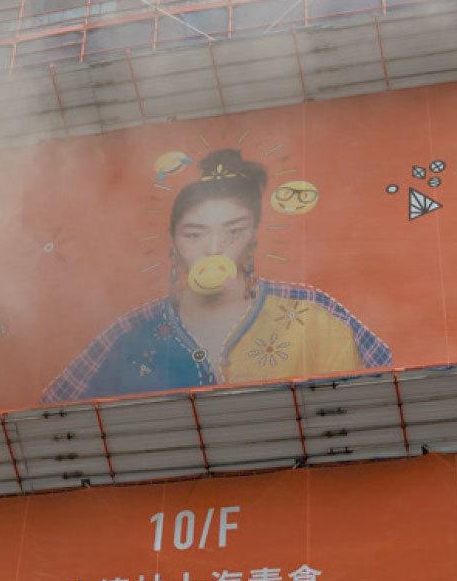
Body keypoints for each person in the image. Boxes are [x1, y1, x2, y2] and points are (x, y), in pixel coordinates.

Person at [41, 149, 392, 403]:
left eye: (233, 232)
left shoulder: (312, 312)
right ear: (173, 243)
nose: (213, 249)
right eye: (194, 234)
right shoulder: (131, 332)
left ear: (254, 238)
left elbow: (382, 395)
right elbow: (57, 418)